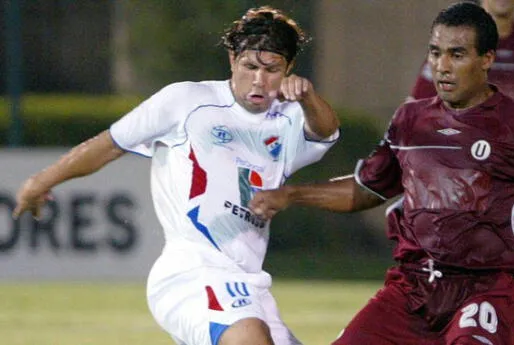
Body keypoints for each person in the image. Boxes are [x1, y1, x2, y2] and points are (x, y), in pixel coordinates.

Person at [250, 3, 514, 344]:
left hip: (484, 290)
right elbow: (366, 189)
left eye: (457, 54)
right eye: (435, 52)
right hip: (411, 288)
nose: (442, 65)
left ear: (486, 59)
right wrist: (291, 194)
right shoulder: (410, 120)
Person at [12, 6, 339, 345]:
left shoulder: (287, 120)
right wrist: (41, 181)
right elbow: (110, 144)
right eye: (250, 66)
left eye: (271, 70)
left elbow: (325, 132)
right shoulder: (186, 101)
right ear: (232, 59)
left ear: (289, 69)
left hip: (250, 283)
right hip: (191, 274)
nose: (259, 79)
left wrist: (308, 97)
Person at [409, 0, 514, 277]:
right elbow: (416, 109)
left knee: (512, 274)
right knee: (452, 271)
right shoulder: (451, 46)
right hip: (459, 179)